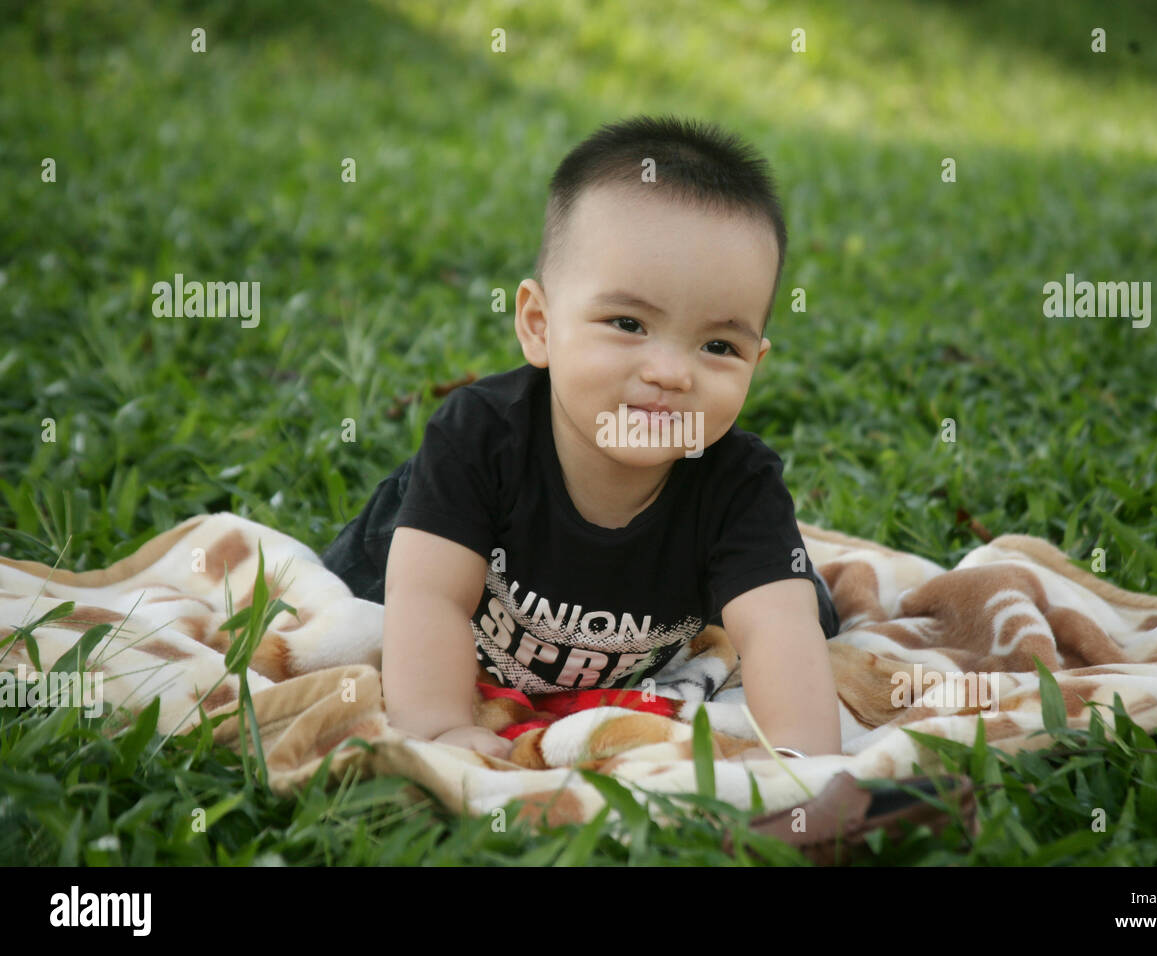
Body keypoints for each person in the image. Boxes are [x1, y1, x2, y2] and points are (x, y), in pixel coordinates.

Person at [320, 115, 842, 763]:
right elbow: (428, 600)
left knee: (807, 615)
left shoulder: (737, 483)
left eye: (717, 345)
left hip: (621, 637)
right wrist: (442, 730)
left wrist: (803, 767)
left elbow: (778, 642)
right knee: (347, 618)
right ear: (539, 325)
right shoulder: (478, 440)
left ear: (754, 365)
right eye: (628, 323)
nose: (671, 372)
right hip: (410, 575)